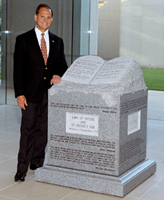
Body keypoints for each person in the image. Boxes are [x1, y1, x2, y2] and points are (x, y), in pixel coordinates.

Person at [13, 3, 68, 182]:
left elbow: (61, 64)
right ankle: (22, 169)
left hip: (48, 94)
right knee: (27, 130)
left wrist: (58, 74)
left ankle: (37, 161)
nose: (45, 19)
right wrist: (19, 94)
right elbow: (18, 70)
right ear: (36, 17)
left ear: (52, 20)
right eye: (42, 16)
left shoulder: (57, 41)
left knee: (43, 130)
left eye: (49, 17)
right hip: (29, 94)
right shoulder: (23, 40)